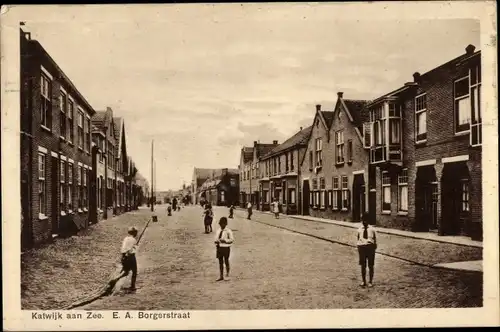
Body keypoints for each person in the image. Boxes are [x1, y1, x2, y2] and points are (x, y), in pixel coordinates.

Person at [113, 226, 139, 291]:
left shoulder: (126, 238)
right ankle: (133, 286)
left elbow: (124, 248)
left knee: (126, 271)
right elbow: (131, 250)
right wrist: (134, 247)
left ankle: (116, 279)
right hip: (130, 257)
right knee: (134, 271)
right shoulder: (133, 240)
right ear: (135, 233)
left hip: (124, 257)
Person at [356, 214, 377, 288]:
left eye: (366, 220)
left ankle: (370, 281)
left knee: (371, 265)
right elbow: (358, 239)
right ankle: (363, 281)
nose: (364, 222)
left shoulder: (372, 229)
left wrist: (373, 247)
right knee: (363, 265)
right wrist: (359, 247)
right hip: (362, 248)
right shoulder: (359, 229)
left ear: (368, 221)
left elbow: (375, 239)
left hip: (370, 248)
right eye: (363, 220)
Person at [214, 217, 234, 281]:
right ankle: (221, 275)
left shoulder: (228, 231)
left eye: (223, 224)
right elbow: (216, 238)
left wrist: (225, 240)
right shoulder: (218, 230)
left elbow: (232, 239)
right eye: (220, 224)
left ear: (225, 224)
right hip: (219, 247)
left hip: (226, 248)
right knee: (220, 262)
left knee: (226, 261)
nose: (221, 225)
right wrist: (216, 241)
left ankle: (227, 274)